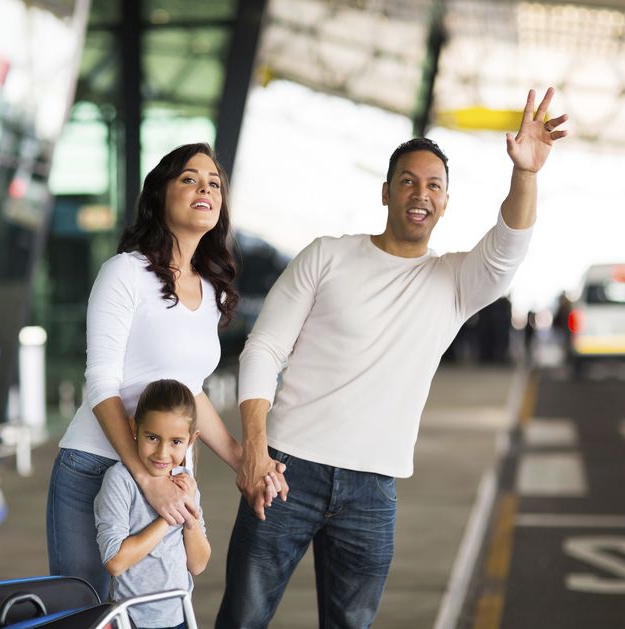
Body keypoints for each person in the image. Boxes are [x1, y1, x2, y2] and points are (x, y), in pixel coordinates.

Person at [216, 88, 568, 629]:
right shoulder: (326, 256)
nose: (420, 193)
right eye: (408, 181)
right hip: (285, 469)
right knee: (242, 619)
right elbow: (263, 348)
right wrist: (255, 450)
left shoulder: (453, 282)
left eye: (434, 185)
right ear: (386, 192)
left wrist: (525, 174)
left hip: (372, 489)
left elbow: (508, 247)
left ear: (445, 202)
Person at [46, 143, 282, 600]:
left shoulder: (211, 291)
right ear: (160, 196)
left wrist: (243, 461)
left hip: (169, 473)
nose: (205, 189)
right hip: (97, 466)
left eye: (214, 183)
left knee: (158, 606)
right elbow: (101, 386)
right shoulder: (125, 273)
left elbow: (190, 392)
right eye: (189, 179)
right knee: (85, 612)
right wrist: (148, 481)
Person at [94, 379, 208, 629]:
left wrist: (189, 518)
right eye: (153, 437)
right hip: (131, 619)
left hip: (181, 615)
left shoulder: (185, 482)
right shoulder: (120, 480)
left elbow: (198, 564)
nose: (162, 453)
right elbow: (115, 562)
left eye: (176, 441)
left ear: (191, 440)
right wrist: (168, 518)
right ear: (134, 427)